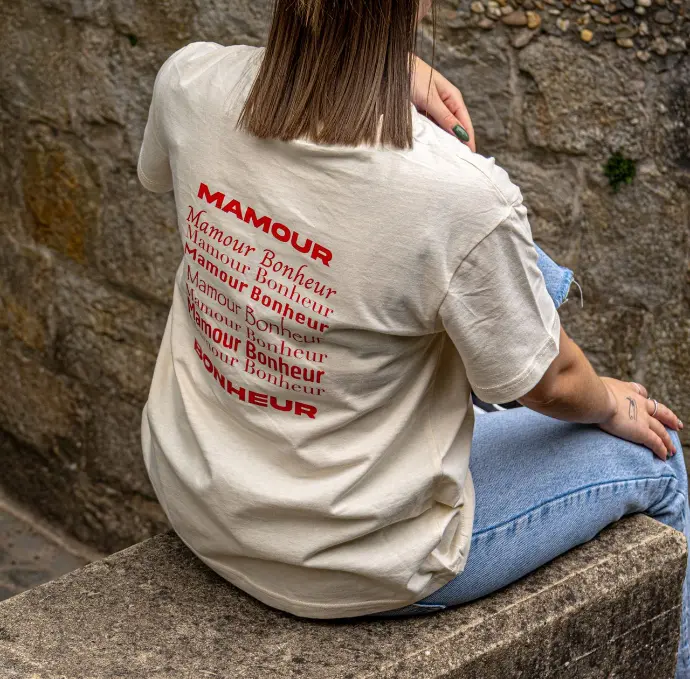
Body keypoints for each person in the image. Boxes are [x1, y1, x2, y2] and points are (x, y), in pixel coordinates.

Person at [137, 0, 688, 674]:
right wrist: (608, 401)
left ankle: (517, 312)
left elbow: (228, 180)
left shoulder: (188, 80)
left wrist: (382, 69)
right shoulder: (458, 193)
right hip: (349, 561)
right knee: (659, 462)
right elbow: (550, 387)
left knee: (454, 269)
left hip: (197, 497)